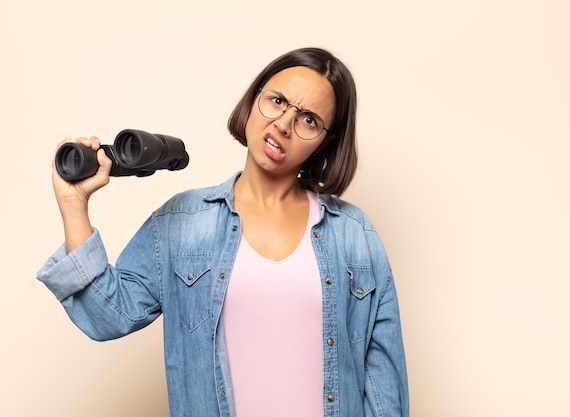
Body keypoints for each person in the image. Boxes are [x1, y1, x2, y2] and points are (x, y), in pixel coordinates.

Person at [38, 47, 409, 417]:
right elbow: (108, 317)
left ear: (326, 141)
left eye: (309, 120)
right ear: (253, 99)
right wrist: (74, 206)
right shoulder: (182, 222)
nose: (283, 124)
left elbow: (383, 388)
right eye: (277, 101)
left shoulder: (354, 235)